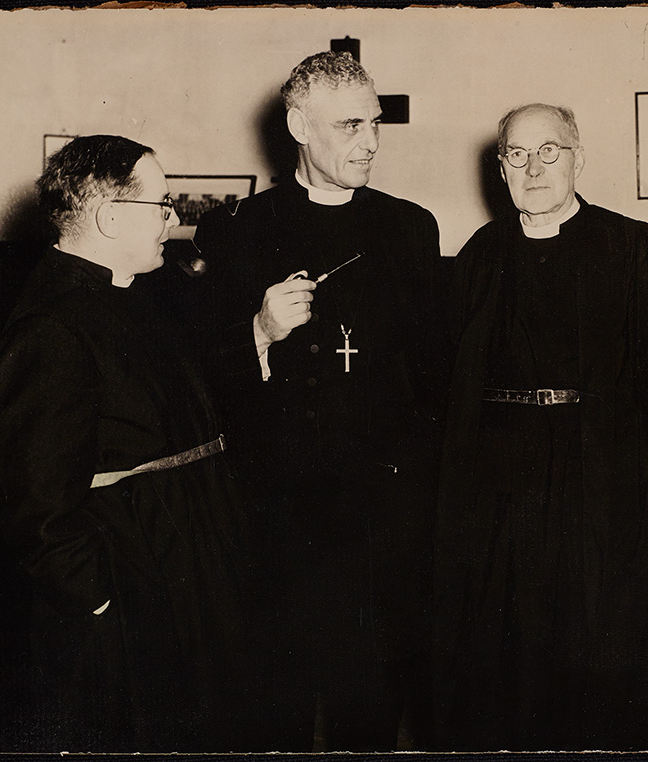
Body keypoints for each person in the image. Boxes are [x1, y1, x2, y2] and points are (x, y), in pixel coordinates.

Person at [190, 51, 449, 751]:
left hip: (378, 529)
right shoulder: (235, 230)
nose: (368, 142)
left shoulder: (410, 228)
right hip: (275, 525)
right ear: (299, 124)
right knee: (270, 712)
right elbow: (202, 386)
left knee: (368, 714)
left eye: (375, 124)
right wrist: (261, 332)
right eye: (349, 126)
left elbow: (434, 382)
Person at [433, 103, 648, 751]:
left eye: (549, 150)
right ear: (500, 169)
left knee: (592, 677)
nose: (533, 167)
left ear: (580, 156)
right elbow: (451, 394)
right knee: (498, 672)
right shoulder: (481, 254)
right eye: (516, 155)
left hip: (598, 499)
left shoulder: (636, 249)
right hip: (499, 501)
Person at [0, 135, 249, 751]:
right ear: (109, 216)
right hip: (130, 591)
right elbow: (37, 508)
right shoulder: (53, 324)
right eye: (161, 204)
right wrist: (102, 603)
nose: (173, 219)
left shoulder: (134, 292)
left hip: (175, 563)